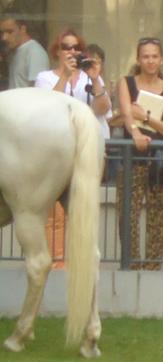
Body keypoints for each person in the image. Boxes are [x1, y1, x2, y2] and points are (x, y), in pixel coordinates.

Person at [35, 28, 113, 268]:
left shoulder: (90, 78)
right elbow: (47, 108)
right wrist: (66, 76)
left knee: (81, 209)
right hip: (56, 153)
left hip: (85, 152)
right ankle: (55, 261)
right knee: (54, 213)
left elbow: (103, 109)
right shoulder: (45, 77)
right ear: (57, 52)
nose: (72, 51)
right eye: (66, 47)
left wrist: (95, 79)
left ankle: (79, 262)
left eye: (76, 47)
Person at [116, 36, 163, 270]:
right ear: (138, 59)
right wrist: (135, 132)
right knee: (127, 216)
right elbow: (127, 115)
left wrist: (146, 118)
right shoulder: (127, 83)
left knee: (158, 220)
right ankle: (132, 266)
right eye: (146, 56)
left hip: (161, 162)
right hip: (132, 159)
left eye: (155, 56)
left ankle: (152, 269)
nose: (151, 61)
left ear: (162, 59)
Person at [0, 15, 49, 88]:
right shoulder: (13, 51)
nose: (4, 38)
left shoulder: (35, 52)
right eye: (2, 33)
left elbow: (38, 89)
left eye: (10, 32)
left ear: (23, 29)